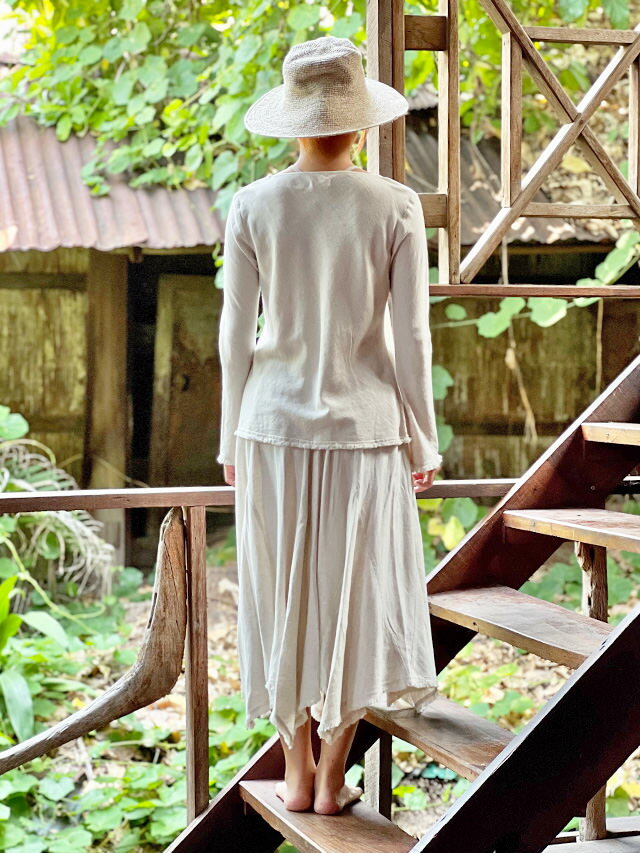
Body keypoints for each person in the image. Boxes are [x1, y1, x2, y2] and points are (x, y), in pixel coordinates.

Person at [217, 35, 442, 816]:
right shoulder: (396, 204)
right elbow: (412, 338)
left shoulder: (253, 204)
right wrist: (425, 436)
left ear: (294, 118)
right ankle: (332, 773)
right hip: (366, 429)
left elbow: (234, 334)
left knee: (283, 592)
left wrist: (227, 437)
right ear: (359, 119)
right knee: (358, 593)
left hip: (269, 427)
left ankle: (295, 765)